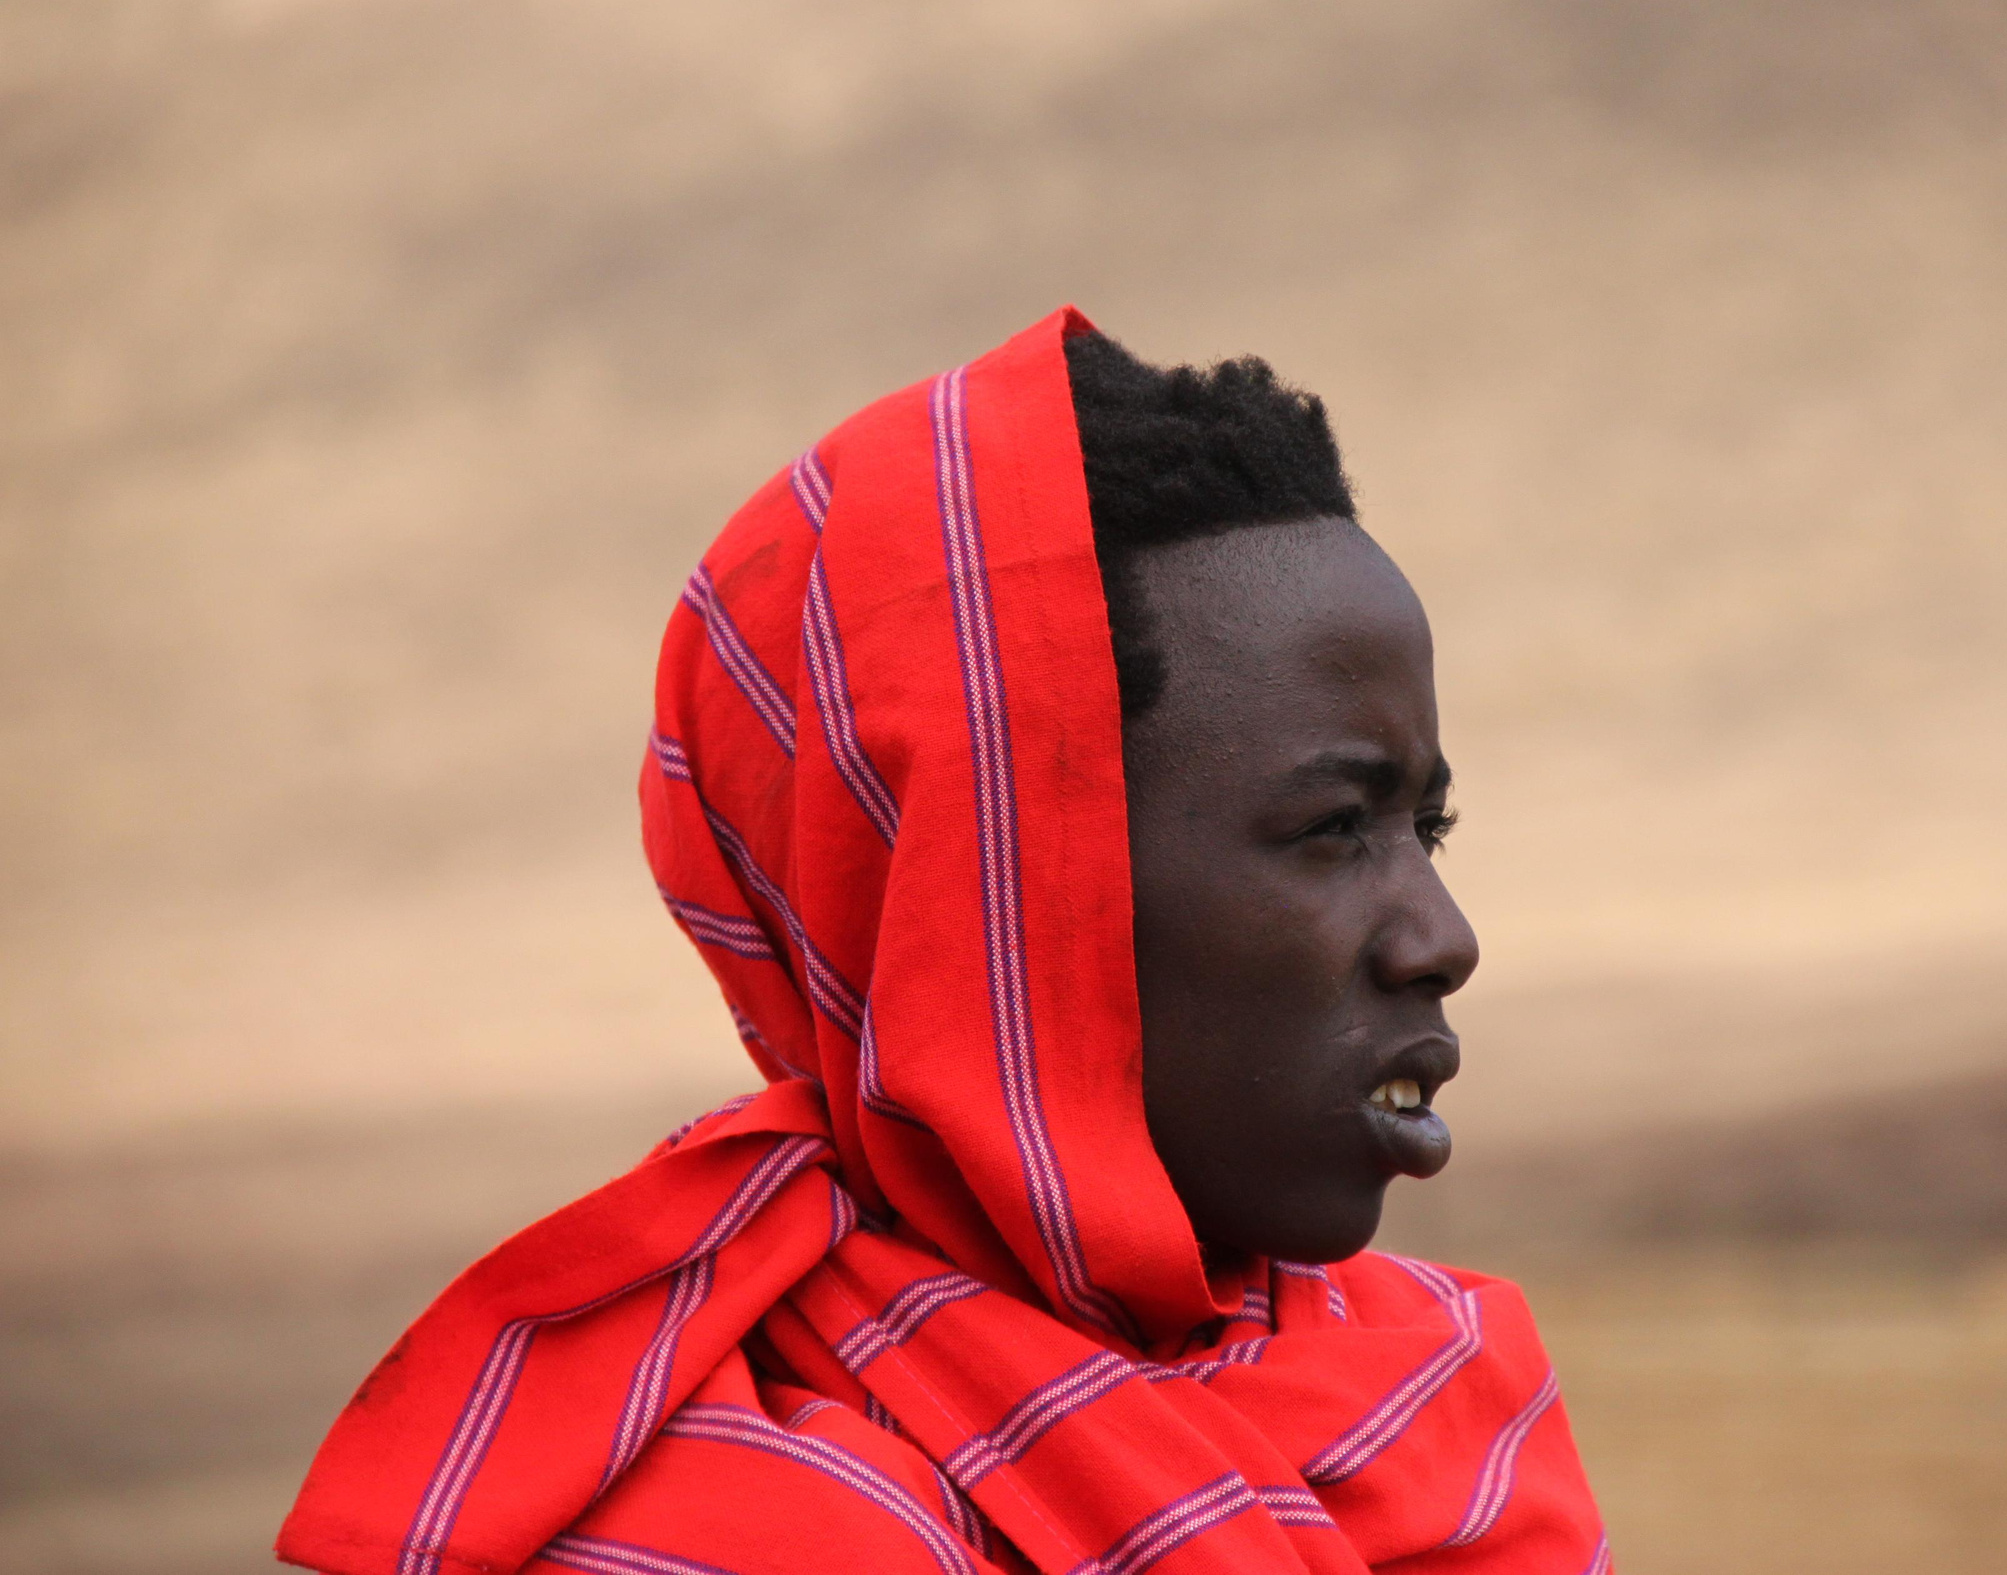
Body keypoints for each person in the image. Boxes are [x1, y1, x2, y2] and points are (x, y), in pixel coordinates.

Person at [277, 309, 1610, 1575]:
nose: (1443, 940)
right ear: (993, 902)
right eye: (1332, 827)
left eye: (1424, 832)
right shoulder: (723, 1526)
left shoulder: (1447, 1403)